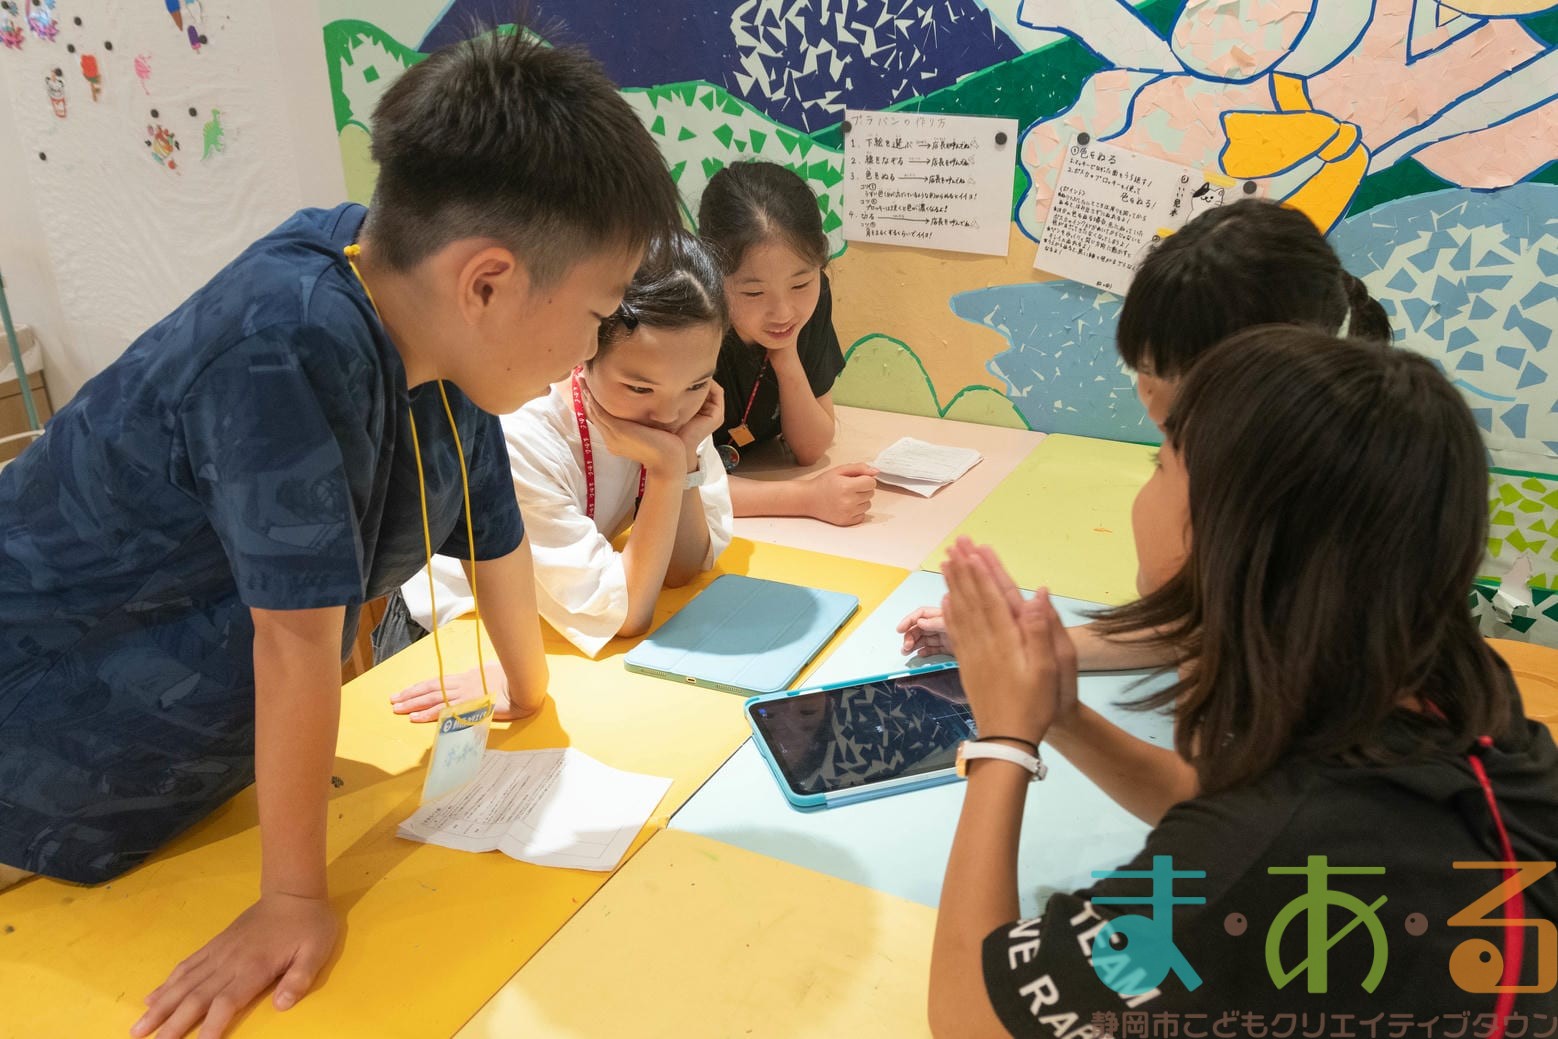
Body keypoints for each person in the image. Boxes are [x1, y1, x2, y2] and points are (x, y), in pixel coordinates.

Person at [0, 29, 680, 1039]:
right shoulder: (287, 341)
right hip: (42, 737)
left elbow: (490, 526)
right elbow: (293, 641)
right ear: (488, 283)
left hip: (197, 766)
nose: (591, 349)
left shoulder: (431, 320)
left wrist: (524, 694)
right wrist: (291, 899)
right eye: (596, 314)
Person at [928, 329, 1558, 1033]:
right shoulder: (1457, 683)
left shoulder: (1258, 862)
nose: (1144, 489)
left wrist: (1005, 742)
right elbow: (1218, 803)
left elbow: (968, 1016)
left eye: (1160, 463)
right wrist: (1060, 712)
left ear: (1222, 532)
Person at [899, 198, 1392, 670]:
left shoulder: (1333, 510)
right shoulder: (1269, 454)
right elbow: (1199, 627)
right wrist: (1025, 643)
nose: (1145, 392)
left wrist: (1028, 678)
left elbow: (1194, 617)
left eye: (1159, 369)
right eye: (1141, 365)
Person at [379, 233, 735, 694]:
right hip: (459, 640)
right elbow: (627, 616)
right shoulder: (525, 428)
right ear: (584, 350)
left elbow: (682, 569)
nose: (669, 414)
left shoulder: (678, 419)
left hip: (564, 633)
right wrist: (668, 470)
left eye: (697, 385)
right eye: (640, 388)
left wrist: (680, 457)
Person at [698, 160, 879, 527]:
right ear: (710, 275)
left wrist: (786, 354)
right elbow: (674, 483)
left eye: (800, 284)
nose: (783, 312)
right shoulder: (685, 321)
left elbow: (811, 448)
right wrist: (807, 497)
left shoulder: (809, 305)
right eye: (753, 292)